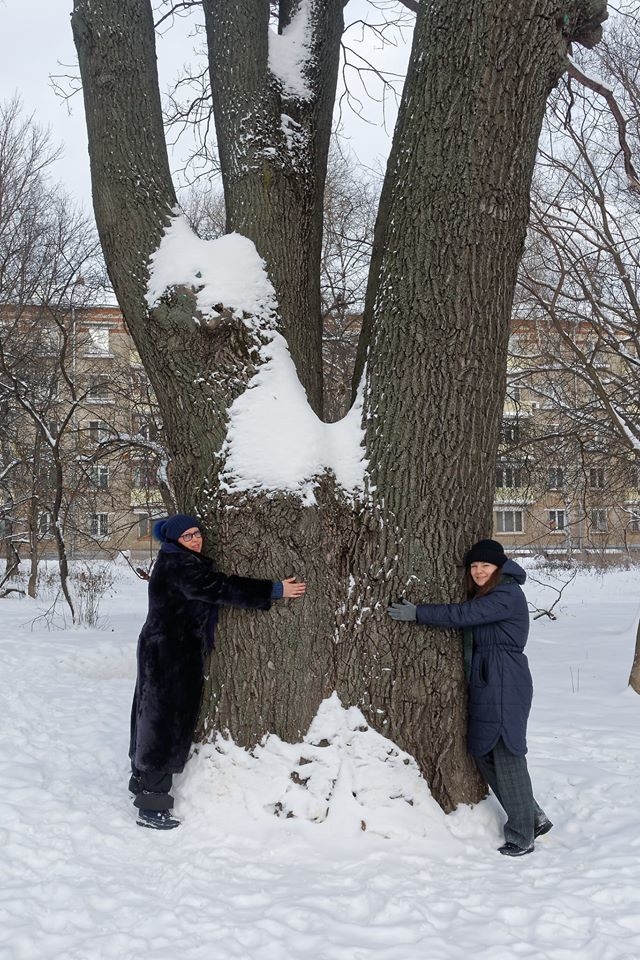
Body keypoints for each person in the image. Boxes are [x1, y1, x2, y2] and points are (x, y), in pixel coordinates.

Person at [129, 513, 306, 830]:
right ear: (175, 540)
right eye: (188, 536)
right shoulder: (178, 564)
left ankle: (141, 783)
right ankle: (152, 806)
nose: (196, 539)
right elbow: (219, 588)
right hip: (169, 653)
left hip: (164, 648)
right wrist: (273, 590)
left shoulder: (176, 559)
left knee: (150, 716)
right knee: (163, 724)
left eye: (197, 533)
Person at [388, 538, 552, 857]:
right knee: (483, 750)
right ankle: (533, 817)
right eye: (474, 566)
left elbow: (463, 615)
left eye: (485, 566)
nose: (478, 571)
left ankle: (522, 836)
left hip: (505, 678)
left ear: (499, 568)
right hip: (491, 677)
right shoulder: (492, 591)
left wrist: (418, 612)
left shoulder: (506, 593)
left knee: (507, 751)